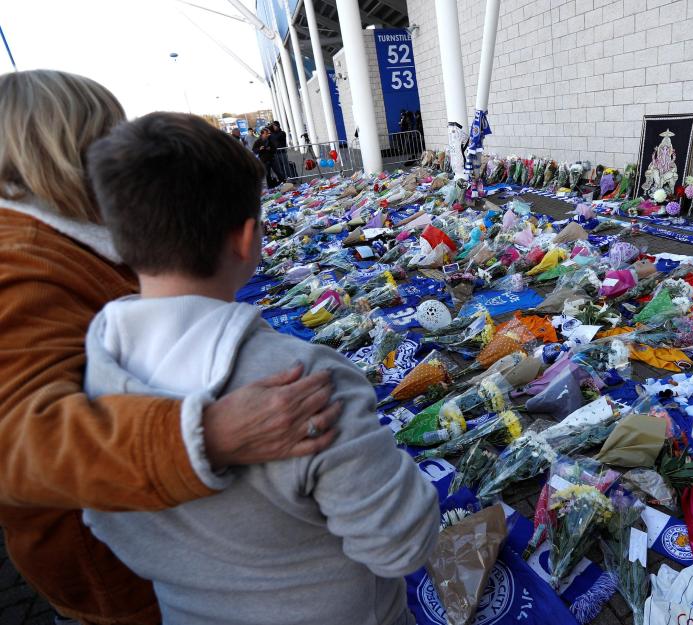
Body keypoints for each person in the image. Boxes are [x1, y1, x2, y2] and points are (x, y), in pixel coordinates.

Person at [0, 70, 343, 625]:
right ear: (66, 148)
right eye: (109, 136)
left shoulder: (59, 241)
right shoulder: (18, 261)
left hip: (154, 547)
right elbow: (16, 440)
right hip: (121, 577)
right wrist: (208, 434)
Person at [84, 111, 439, 625]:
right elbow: (400, 546)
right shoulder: (304, 384)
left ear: (118, 241)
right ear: (247, 240)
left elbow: (101, 523)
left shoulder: (92, 375)